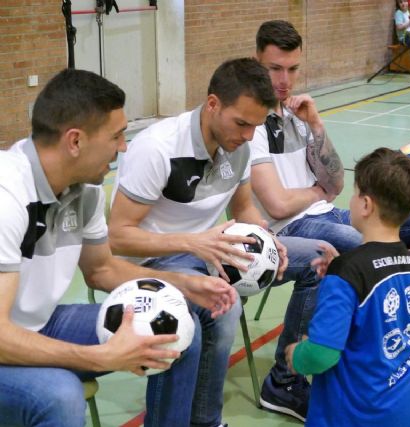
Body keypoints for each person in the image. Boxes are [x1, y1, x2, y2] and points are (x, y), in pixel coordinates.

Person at [0, 68, 237, 426]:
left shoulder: (86, 188)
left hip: (40, 324)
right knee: (60, 395)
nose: (124, 147)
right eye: (117, 136)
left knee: (175, 332)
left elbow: (102, 270)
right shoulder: (8, 195)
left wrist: (181, 283)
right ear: (75, 141)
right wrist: (99, 357)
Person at [251, 19, 410, 420]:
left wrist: (317, 125)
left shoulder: (297, 117)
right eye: (275, 69)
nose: (285, 80)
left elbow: (338, 180)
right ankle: (284, 380)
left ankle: (362, 321)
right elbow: (275, 205)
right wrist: (316, 191)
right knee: (354, 247)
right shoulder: (251, 121)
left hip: (327, 214)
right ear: (258, 62)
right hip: (284, 231)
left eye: (292, 69)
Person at [107, 57, 298, 427]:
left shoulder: (240, 144)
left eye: (255, 126)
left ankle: (273, 391)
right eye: (241, 123)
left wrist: (269, 240)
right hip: (152, 260)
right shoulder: (157, 148)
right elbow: (117, 238)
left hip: (208, 251)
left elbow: (244, 208)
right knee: (213, 316)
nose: (247, 136)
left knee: (326, 259)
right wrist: (194, 243)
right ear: (213, 104)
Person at [284, 147, 410, 427]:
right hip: (408, 408)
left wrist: (297, 355)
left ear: (365, 205)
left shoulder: (348, 272)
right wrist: (342, 271)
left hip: (355, 414)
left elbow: (322, 354)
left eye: (354, 193)